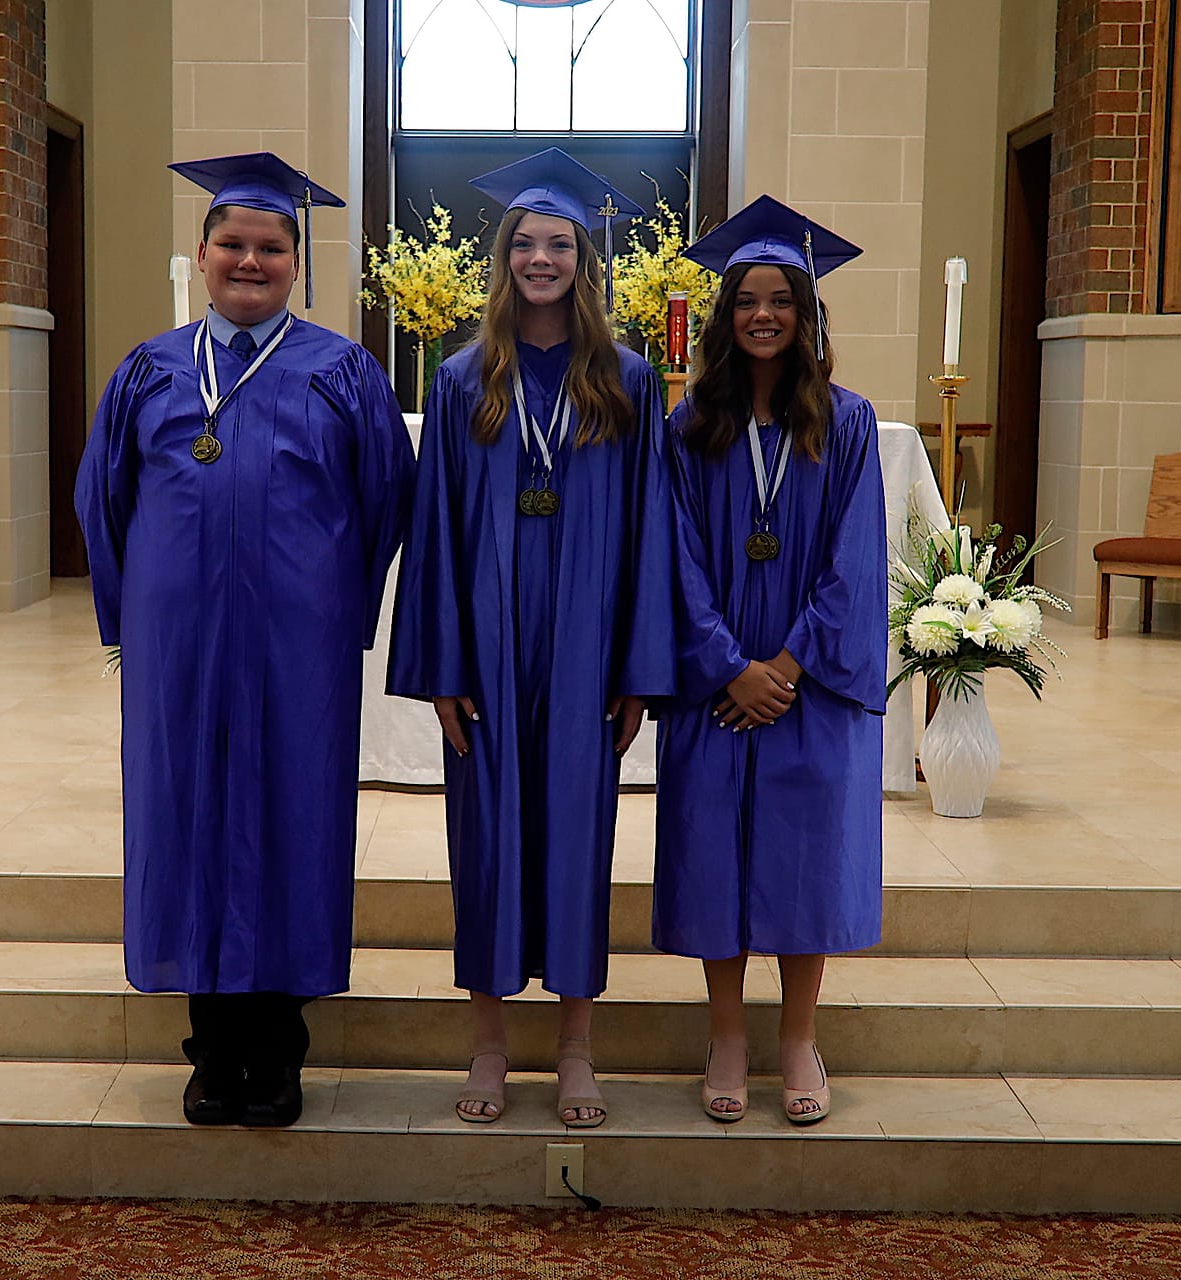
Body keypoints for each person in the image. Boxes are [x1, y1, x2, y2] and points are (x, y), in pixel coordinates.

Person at [75, 152, 415, 1128]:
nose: (250, 259)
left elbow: (388, 500)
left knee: (288, 819)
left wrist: (336, 606)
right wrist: (132, 616)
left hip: (295, 649)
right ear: (203, 252)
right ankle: (210, 1048)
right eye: (233, 242)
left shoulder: (342, 372)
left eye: (270, 245)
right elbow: (103, 498)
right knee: (185, 815)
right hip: (179, 644)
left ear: (298, 261)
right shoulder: (152, 367)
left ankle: (277, 1048)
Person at [388, 148, 677, 1128]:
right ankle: (487, 1044)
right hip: (488, 658)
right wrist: (438, 671)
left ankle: (578, 1049)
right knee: (485, 844)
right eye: (525, 242)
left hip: (590, 651)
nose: (541, 258)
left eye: (559, 243)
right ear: (503, 256)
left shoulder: (629, 381)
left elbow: (652, 536)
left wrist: (640, 670)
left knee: (578, 843)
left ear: (583, 262)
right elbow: (431, 533)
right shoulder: (466, 374)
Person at [652, 196, 886, 1125]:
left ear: (807, 313)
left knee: (799, 853)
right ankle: (727, 1035)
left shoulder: (851, 423)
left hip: (806, 682)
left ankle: (796, 1036)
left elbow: (856, 561)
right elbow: (671, 556)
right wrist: (725, 664)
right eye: (745, 299)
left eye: (781, 299)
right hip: (719, 683)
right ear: (723, 314)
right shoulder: (686, 427)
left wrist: (785, 665)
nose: (762, 314)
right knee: (714, 847)